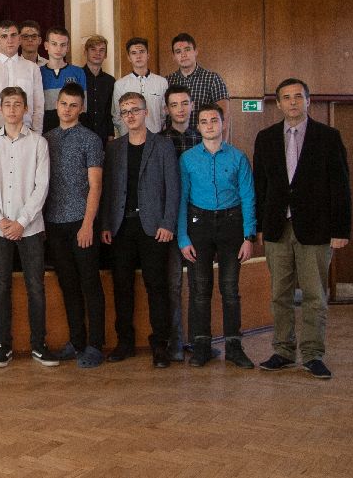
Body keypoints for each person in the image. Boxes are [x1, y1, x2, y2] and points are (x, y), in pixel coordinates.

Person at [253, 78, 351, 379]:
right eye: (286, 97)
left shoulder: (328, 137)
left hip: (316, 230)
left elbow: (341, 186)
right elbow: (260, 186)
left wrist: (341, 230)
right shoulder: (265, 138)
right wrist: (259, 226)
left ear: (308, 101)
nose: (293, 101)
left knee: (314, 295)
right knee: (279, 295)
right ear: (278, 104)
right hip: (276, 229)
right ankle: (283, 351)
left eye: (298, 96)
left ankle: (312, 354)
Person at [100, 92, 179, 368]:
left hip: (154, 228)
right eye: (125, 111)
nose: (130, 115)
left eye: (135, 110)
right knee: (122, 286)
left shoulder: (163, 145)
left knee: (156, 286)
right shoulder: (114, 148)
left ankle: (160, 345)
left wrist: (168, 223)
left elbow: (173, 187)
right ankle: (125, 342)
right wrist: (106, 223)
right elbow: (108, 189)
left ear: (146, 112)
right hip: (121, 227)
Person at [0, 87, 58, 368]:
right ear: (0, 109)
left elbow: (42, 186)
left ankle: (39, 344)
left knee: (35, 286)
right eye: (7, 104)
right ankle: (4, 345)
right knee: (1, 286)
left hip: (31, 228)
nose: (12, 109)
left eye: (17, 104)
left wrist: (21, 222)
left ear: (26, 109)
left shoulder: (38, 143)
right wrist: (1, 221)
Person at [178, 104, 256, 368]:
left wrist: (248, 236)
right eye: (204, 121)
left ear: (223, 123)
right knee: (200, 290)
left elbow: (248, 197)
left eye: (214, 120)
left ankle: (234, 346)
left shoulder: (238, 157)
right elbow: (182, 199)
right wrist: (183, 238)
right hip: (198, 225)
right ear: (198, 127)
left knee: (230, 289)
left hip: (231, 225)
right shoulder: (187, 159)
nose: (209, 125)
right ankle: (201, 347)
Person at [43, 83, 105, 368]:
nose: (67, 109)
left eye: (73, 105)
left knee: (90, 284)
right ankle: (77, 341)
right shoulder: (47, 139)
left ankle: (95, 345)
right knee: (68, 286)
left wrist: (88, 224)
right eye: (64, 104)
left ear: (81, 108)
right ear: (57, 105)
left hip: (82, 222)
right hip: (55, 223)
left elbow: (95, 185)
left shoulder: (90, 139)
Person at [160, 84, 203, 362]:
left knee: (199, 284)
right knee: (173, 285)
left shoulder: (202, 137)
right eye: (174, 104)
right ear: (166, 109)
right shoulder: (158, 140)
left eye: (184, 103)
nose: (180, 109)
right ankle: (175, 342)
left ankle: (199, 341)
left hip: (198, 219)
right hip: (170, 221)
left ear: (192, 105)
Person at [0, 20, 45, 146]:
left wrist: (36, 137)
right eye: (4, 36)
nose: (9, 40)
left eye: (13, 35)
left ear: (19, 39)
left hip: (26, 133)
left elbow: (38, 107)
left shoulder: (32, 68)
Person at [166, 33, 229, 136]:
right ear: (173, 56)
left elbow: (224, 118)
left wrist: (220, 145)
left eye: (187, 49)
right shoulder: (167, 81)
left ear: (196, 51)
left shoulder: (212, 79)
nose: (183, 55)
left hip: (204, 141)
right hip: (172, 141)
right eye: (178, 51)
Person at [111, 37, 168, 136]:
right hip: (129, 137)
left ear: (148, 55)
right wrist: (127, 135)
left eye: (142, 52)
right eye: (134, 53)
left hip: (155, 136)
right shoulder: (120, 84)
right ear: (129, 57)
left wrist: (156, 132)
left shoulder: (161, 82)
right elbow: (117, 115)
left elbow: (164, 114)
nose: (138, 56)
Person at [41, 27, 87, 133]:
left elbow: (83, 107)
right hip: (45, 127)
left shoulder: (78, 72)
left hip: (73, 128)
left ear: (68, 47)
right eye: (54, 44)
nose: (58, 49)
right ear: (46, 45)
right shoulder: (38, 72)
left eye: (63, 45)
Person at [79, 35, 115, 146]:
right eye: (93, 49)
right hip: (80, 134)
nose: (97, 53)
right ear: (86, 52)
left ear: (106, 55)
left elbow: (110, 111)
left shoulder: (110, 81)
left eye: (101, 50)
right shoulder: (77, 76)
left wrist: (111, 135)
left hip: (102, 136)